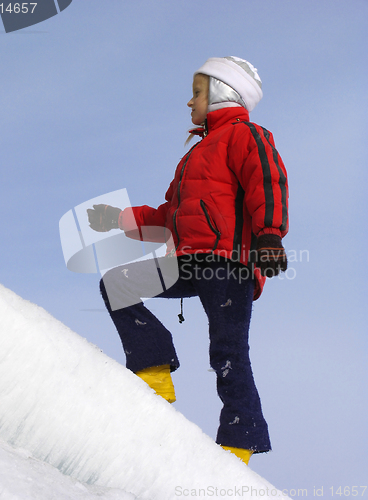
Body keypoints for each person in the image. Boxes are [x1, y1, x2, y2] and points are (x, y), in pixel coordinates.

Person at [87, 56, 289, 465]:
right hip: (189, 260)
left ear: (222, 93)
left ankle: (240, 441)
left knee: (228, 351)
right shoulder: (193, 157)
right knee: (117, 283)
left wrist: (269, 235)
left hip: (227, 263)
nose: (190, 102)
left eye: (197, 92)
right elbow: (168, 216)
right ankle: (154, 366)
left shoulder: (247, 136)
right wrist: (119, 219)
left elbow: (266, 180)